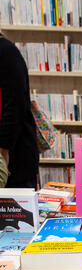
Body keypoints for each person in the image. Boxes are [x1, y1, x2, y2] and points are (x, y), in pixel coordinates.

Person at [0, 33, 39, 188]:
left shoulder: (6, 52)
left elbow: (15, 104)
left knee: (16, 209)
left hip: (14, 156)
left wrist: (4, 148)